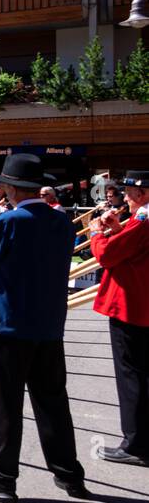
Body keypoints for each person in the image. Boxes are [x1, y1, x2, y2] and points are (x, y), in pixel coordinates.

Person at [0, 153, 89, 503]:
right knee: (53, 402)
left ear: (10, 188)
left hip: (7, 326)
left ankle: (2, 477)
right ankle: (69, 474)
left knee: (7, 405)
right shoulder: (62, 222)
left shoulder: (7, 222)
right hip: (47, 325)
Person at [89, 170, 149, 466]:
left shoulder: (144, 220)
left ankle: (136, 444)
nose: (124, 198)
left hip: (131, 306)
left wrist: (97, 234)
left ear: (143, 194)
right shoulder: (140, 221)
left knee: (131, 376)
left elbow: (108, 256)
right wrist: (115, 230)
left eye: (129, 193)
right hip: (140, 305)